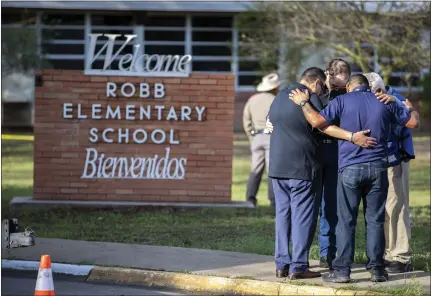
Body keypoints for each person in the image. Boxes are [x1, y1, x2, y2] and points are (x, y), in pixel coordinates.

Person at [288, 74, 420, 283]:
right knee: (375, 220)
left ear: (349, 87)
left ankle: (342, 271)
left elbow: (317, 121)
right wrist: (408, 106)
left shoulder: (341, 100)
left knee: (346, 221)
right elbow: (412, 123)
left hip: (350, 168)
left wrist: (303, 102)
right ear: (368, 87)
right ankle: (377, 270)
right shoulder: (384, 100)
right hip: (378, 168)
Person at [268, 67, 377, 280]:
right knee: (303, 216)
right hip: (302, 167)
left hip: (277, 168)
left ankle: (281, 264)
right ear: (317, 83)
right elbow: (322, 124)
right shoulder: (309, 98)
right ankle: (298, 266)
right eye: (321, 87)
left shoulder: (278, 97)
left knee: (282, 216)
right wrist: (352, 136)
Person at [363, 72, 415, 273]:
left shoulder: (394, 97)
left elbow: (412, 120)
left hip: (395, 160)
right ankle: (385, 253)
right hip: (375, 160)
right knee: (381, 209)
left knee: (397, 207)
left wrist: (398, 104)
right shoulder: (369, 98)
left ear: (379, 90)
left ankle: (401, 256)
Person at [242, 73, 279, 207]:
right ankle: (273, 200)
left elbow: (246, 120)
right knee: (272, 169)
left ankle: (250, 198)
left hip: (256, 137)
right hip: (272, 137)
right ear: (275, 88)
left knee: (255, 169)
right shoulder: (276, 100)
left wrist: (252, 137)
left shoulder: (252, 99)